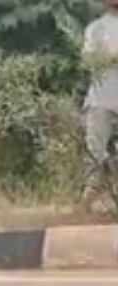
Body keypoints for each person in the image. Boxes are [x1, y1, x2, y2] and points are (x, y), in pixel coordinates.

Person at [85, 0, 118, 197]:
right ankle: (88, 198)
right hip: (101, 97)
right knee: (94, 151)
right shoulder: (96, 28)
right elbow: (89, 59)